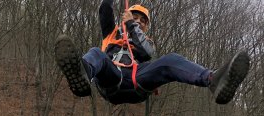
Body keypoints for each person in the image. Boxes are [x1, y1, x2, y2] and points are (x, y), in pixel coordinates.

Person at [54, 0, 250, 105]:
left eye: (142, 20)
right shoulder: (111, 34)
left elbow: (146, 54)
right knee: (97, 53)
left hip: (137, 80)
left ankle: (212, 80)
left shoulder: (146, 42)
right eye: (135, 17)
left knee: (171, 60)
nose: (138, 20)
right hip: (112, 79)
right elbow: (105, 7)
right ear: (124, 17)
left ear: (145, 26)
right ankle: (83, 73)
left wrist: (131, 24)